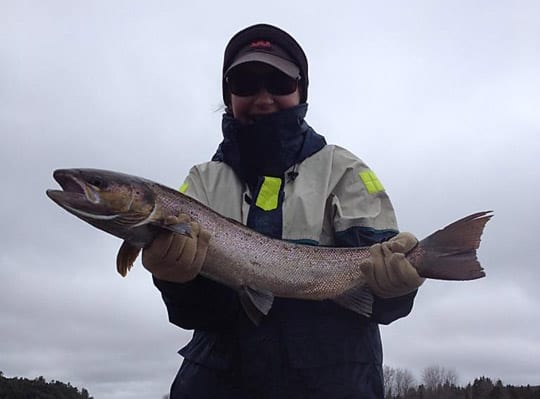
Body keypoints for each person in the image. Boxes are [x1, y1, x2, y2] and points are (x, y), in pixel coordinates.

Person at [142, 23, 424, 399]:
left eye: (278, 83)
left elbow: (380, 303)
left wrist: (397, 289)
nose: (263, 98)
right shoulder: (201, 181)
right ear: (228, 96)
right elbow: (196, 315)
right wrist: (175, 282)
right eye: (245, 83)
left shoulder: (345, 170)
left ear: (301, 90)